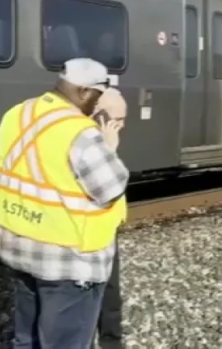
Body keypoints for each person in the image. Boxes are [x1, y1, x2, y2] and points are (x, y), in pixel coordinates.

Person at [0, 58, 129, 349]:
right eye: (97, 94)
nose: (98, 103)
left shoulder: (18, 113)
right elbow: (111, 187)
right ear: (82, 91)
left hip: (20, 247)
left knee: (26, 341)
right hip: (68, 262)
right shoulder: (79, 131)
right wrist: (109, 146)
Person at [92, 88, 128, 349]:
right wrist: (110, 152)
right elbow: (105, 188)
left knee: (111, 295)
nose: (123, 125)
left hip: (106, 228)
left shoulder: (102, 140)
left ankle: (112, 343)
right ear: (101, 116)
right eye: (118, 119)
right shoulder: (84, 143)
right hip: (86, 232)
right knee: (89, 297)